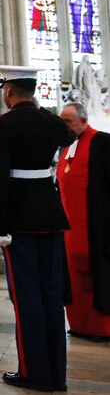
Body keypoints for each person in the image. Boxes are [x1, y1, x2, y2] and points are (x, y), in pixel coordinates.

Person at [0, 65, 75, 392]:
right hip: (51, 217)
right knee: (52, 296)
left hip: (19, 221)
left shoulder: (3, 124)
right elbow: (68, 136)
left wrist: (0, 225)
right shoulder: (52, 121)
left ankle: (34, 373)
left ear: (9, 91)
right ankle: (57, 374)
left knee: (26, 298)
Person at [57, 102, 110, 341]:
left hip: (96, 227)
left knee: (97, 273)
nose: (64, 126)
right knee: (72, 276)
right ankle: (78, 324)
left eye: (68, 121)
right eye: (61, 121)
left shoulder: (102, 143)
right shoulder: (65, 148)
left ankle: (101, 328)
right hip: (69, 230)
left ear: (84, 120)